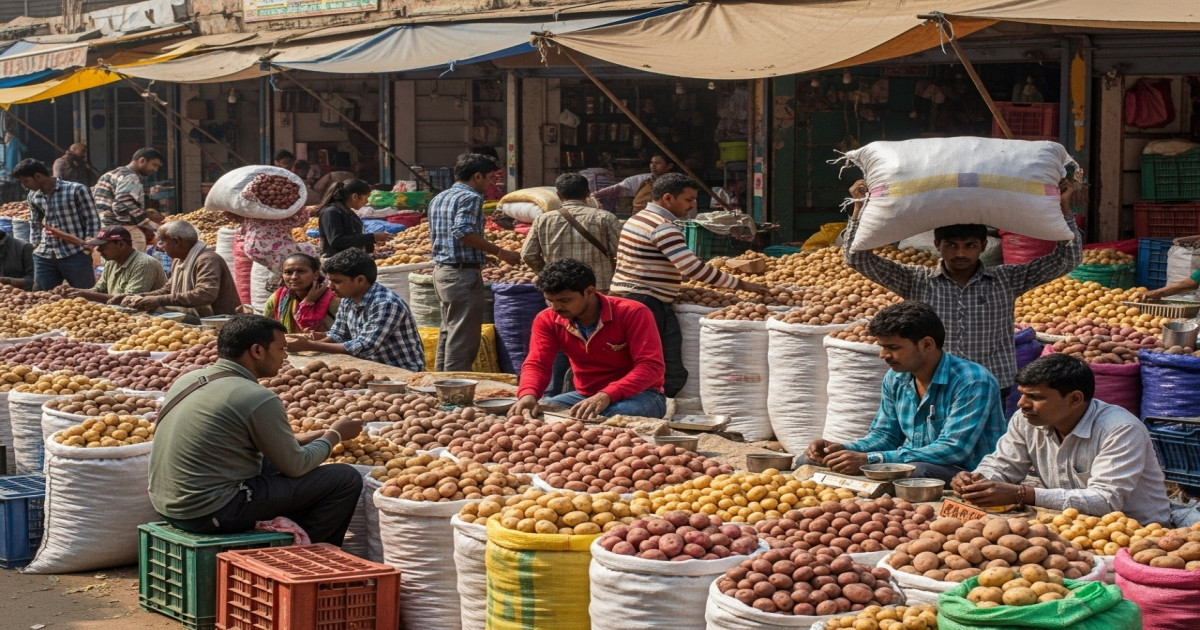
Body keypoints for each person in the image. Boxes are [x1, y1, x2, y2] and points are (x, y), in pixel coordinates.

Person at [843, 179, 1082, 398]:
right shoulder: (916, 280)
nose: (960, 253)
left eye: (970, 245)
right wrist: (859, 207)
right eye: (951, 245)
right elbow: (858, 258)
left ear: (983, 246)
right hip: (936, 383)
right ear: (937, 245)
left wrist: (1064, 208)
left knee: (988, 434)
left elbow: (1066, 259)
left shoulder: (1006, 279)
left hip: (992, 382)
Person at [147, 314, 364, 545]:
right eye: (281, 349)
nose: (285, 356)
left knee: (275, 464)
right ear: (257, 351)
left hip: (167, 507)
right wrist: (335, 435)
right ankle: (311, 551)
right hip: (210, 513)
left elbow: (231, 440)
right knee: (344, 477)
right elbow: (296, 466)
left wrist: (305, 439)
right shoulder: (257, 397)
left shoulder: (189, 379)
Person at [953, 353, 1171, 525]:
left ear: (1075, 399)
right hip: (1070, 525)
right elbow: (1003, 465)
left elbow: (1104, 500)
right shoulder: (1025, 419)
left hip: (1138, 531)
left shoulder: (1121, 429)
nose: (1021, 404)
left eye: (1036, 397)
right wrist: (978, 481)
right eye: (1022, 394)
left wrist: (1022, 494)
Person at [805, 301, 1007, 482]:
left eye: (892, 347)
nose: (883, 355)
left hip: (965, 472)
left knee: (917, 473)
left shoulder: (972, 381)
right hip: (914, 461)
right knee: (809, 460)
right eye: (882, 347)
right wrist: (843, 448)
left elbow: (953, 449)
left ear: (926, 344)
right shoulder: (896, 378)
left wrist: (871, 459)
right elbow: (885, 435)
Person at [609, 172, 767, 398]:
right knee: (667, 364)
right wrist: (741, 285)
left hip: (625, 296)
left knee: (635, 358)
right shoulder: (663, 227)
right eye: (688, 199)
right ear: (668, 198)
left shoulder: (637, 219)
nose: (693, 205)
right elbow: (692, 269)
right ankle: (655, 403)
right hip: (647, 302)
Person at [512, 258, 666, 420]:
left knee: (611, 416)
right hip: (585, 395)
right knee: (539, 412)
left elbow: (651, 367)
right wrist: (528, 393)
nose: (555, 307)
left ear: (589, 292)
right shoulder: (547, 319)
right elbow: (537, 363)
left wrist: (607, 395)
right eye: (550, 301)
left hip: (641, 395)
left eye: (564, 300)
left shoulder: (633, 313)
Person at [522, 172, 622, 396]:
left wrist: (549, 275)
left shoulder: (544, 219)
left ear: (559, 195)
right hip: (597, 293)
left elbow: (527, 254)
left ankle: (553, 394)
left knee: (559, 341)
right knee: (598, 343)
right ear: (588, 193)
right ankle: (598, 392)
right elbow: (622, 253)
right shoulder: (605, 218)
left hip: (559, 295)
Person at [429, 153, 521, 371]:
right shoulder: (471, 197)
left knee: (449, 331)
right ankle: (455, 385)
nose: (491, 184)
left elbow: (450, 236)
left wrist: (481, 254)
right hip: (461, 276)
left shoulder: (439, 197)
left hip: (442, 272)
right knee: (463, 339)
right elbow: (462, 231)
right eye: (490, 178)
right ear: (477, 176)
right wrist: (500, 252)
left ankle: (440, 381)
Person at [286, 248, 424, 372]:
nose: (330, 286)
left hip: (401, 370)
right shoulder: (347, 299)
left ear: (360, 280)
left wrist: (311, 345)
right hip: (370, 367)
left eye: (336, 281)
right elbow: (339, 334)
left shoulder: (385, 304)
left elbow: (364, 346)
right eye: (330, 281)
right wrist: (312, 339)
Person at [115, 220, 240, 318]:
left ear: (177, 241)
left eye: (162, 242)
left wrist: (158, 301)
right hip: (194, 314)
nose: (160, 247)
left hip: (215, 319)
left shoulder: (207, 260)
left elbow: (205, 294)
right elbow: (168, 289)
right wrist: (139, 296)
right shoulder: (179, 260)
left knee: (153, 313)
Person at [12, 158, 100, 290]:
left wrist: (87, 248)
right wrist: (35, 245)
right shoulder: (33, 196)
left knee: (85, 294)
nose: (24, 186)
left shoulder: (76, 190)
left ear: (38, 176)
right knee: (43, 296)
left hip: (74, 253)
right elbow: (35, 222)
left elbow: (92, 219)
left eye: (26, 181)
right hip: (45, 255)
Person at [57, 226, 165, 303]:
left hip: (150, 316)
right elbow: (98, 290)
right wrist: (73, 291)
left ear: (121, 244)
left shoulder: (144, 263)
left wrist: (84, 294)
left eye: (102, 246)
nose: (98, 250)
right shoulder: (111, 262)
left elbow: (130, 300)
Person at [92, 147, 164, 252]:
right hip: (121, 229)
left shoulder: (110, 174)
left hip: (104, 229)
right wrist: (148, 223)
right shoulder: (130, 176)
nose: (155, 170)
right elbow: (122, 205)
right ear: (142, 160)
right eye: (154, 165)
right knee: (134, 258)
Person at [264, 253, 338, 333]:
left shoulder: (333, 300)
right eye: (288, 272)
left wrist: (308, 303)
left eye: (301, 271)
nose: (294, 277)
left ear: (316, 275)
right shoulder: (278, 297)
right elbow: (264, 327)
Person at [318, 179, 388, 257]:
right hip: (336, 261)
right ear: (354, 196)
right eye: (366, 197)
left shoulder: (347, 211)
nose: (367, 202)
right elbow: (337, 241)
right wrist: (372, 237)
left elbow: (353, 237)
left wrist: (371, 242)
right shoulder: (331, 212)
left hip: (350, 259)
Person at [594, 154, 675, 213]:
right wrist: (596, 194)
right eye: (651, 163)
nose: (653, 166)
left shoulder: (674, 183)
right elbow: (618, 188)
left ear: (669, 166)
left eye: (658, 163)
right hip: (639, 216)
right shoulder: (644, 179)